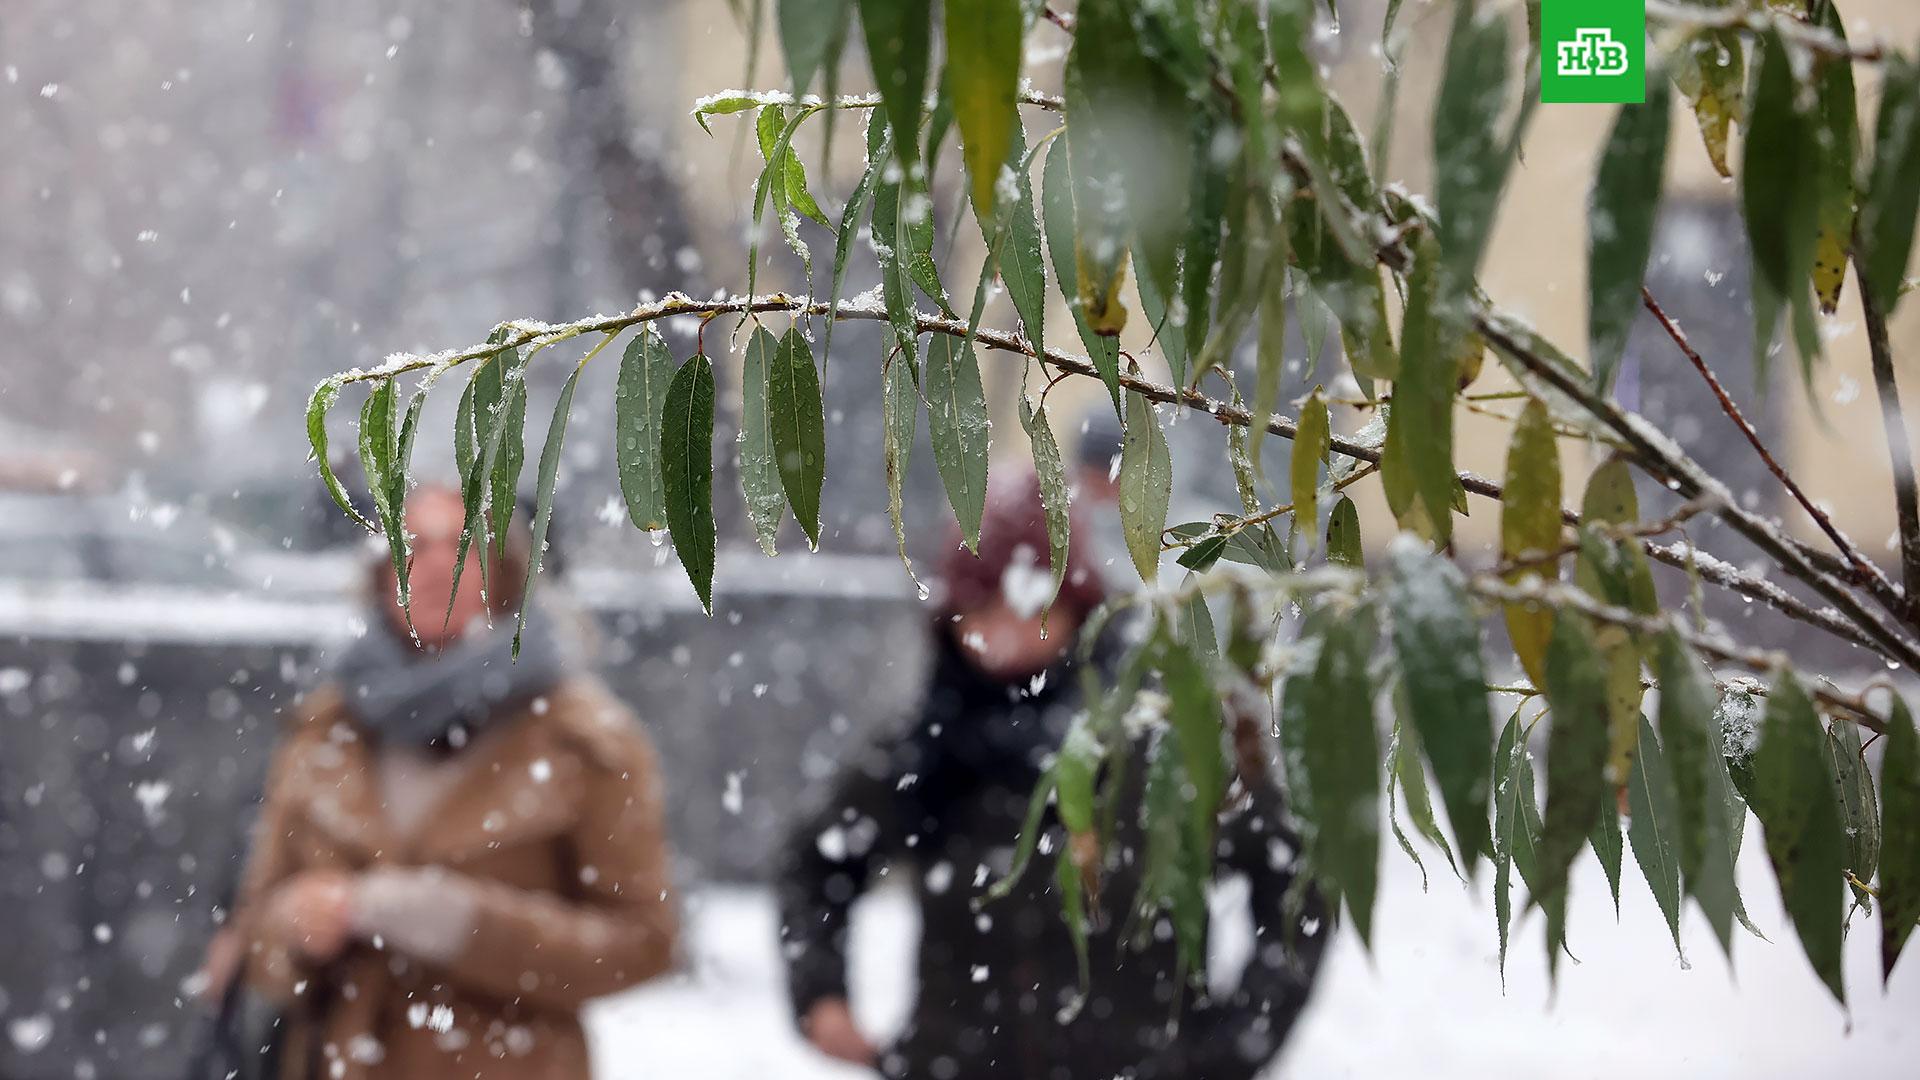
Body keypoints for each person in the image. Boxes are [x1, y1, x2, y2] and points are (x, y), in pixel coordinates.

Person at [778, 472, 1324, 1080]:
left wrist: (1224, 1051)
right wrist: (823, 999)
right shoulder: (929, 749)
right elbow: (817, 863)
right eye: (980, 607)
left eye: (1030, 604)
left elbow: (1293, 878)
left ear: (1075, 604)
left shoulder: (1162, 735)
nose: (1004, 632)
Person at [223, 483, 677, 1080]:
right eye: (410, 544)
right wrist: (296, 925)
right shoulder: (327, 726)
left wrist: (458, 922)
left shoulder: (583, 740)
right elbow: (254, 931)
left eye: (461, 543)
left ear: (508, 571)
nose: (435, 563)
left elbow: (644, 943)